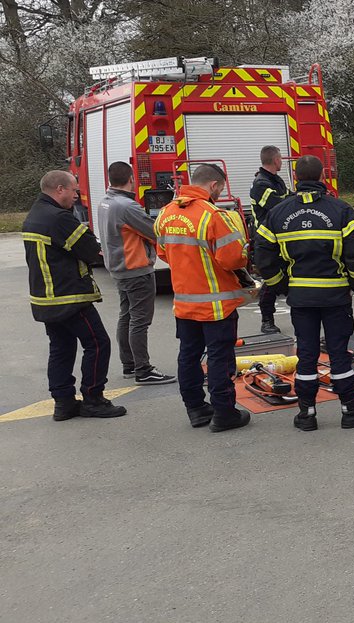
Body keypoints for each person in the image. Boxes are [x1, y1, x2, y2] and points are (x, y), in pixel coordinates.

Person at [255, 155, 354, 432]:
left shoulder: (279, 212)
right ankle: (350, 410)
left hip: (300, 297)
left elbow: (262, 252)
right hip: (335, 296)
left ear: (296, 179)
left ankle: (307, 413)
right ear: (322, 177)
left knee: (306, 354)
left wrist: (280, 285)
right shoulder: (340, 209)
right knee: (338, 353)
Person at [155, 163, 251, 433]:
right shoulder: (213, 215)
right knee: (219, 358)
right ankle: (224, 412)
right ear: (213, 185)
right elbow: (232, 259)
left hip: (185, 303)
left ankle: (196, 409)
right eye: (219, 188)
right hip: (216, 305)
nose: (219, 193)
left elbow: (163, 253)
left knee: (188, 355)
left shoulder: (165, 214)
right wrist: (243, 253)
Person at [23, 170, 126, 421]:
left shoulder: (35, 215)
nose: (76, 196)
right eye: (74, 190)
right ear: (60, 189)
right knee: (98, 343)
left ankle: (64, 403)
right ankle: (93, 399)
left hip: (45, 299)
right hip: (69, 297)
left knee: (61, 348)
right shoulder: (59, 218)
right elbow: (90, 250)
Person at [97, 161, 174, 384]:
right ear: (131, 179)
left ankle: (129, 364)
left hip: (119, 268)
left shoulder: (106, 202)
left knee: (127, 316)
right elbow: (154, 231)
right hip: (135, 269)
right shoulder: (127, 207)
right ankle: (143, 369)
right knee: (139, 320)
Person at [250, 145, 290, 334]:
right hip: (267, 241)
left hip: (282, 236)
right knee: (271, 280)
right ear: (275, 160)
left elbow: (288, 197)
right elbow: (278, 206)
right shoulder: (261, 184)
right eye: (281, 158)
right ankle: (267, 320)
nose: (282, 161)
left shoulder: (276, 180)